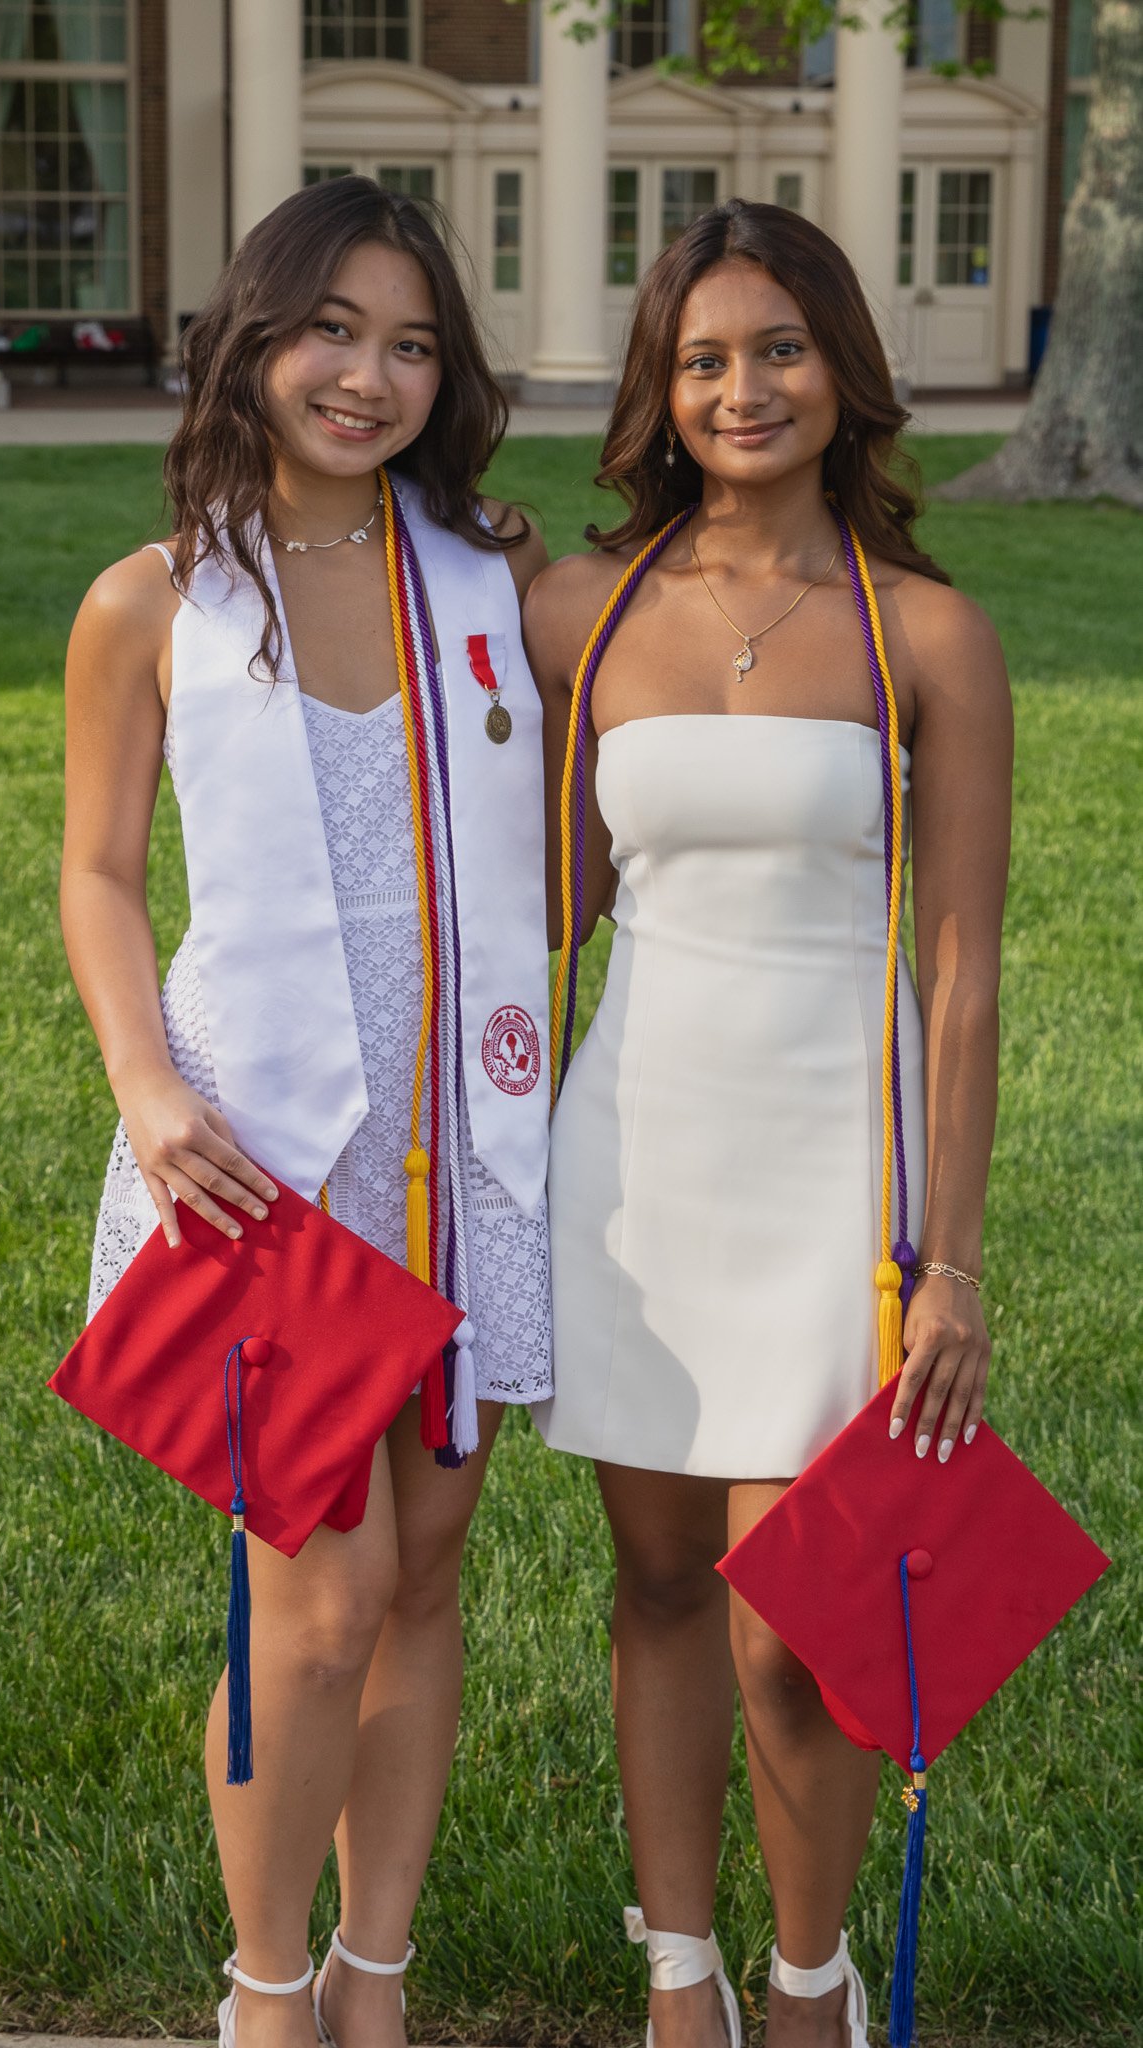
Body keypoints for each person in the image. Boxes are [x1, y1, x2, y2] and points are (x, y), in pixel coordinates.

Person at [60, 177, 552, 2048]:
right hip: (265, 1153)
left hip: (467, 1141)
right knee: (319, 1602)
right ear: (254, 339)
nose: (369, 374)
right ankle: (265, 1994)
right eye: (333, 330)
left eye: (414, 342)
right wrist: (146, 1085)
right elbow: (98, 872)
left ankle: (377, 1978)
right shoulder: (158, 604)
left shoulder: (487, 587)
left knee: (428, 1579)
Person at [525, 200, 1011, 2048]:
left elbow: (962, 976)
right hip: (635, 1157)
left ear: (845, 369)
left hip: (840, 1173)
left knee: (792, 1619)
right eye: (707, 356)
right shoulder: (589, 607)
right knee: (655, 1585)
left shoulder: (931, 637)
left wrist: (947, 1259)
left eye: (782, 348)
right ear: (658, 384)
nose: (745, 387)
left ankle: (809, 1986)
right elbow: (548, 908)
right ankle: (681, 1983)